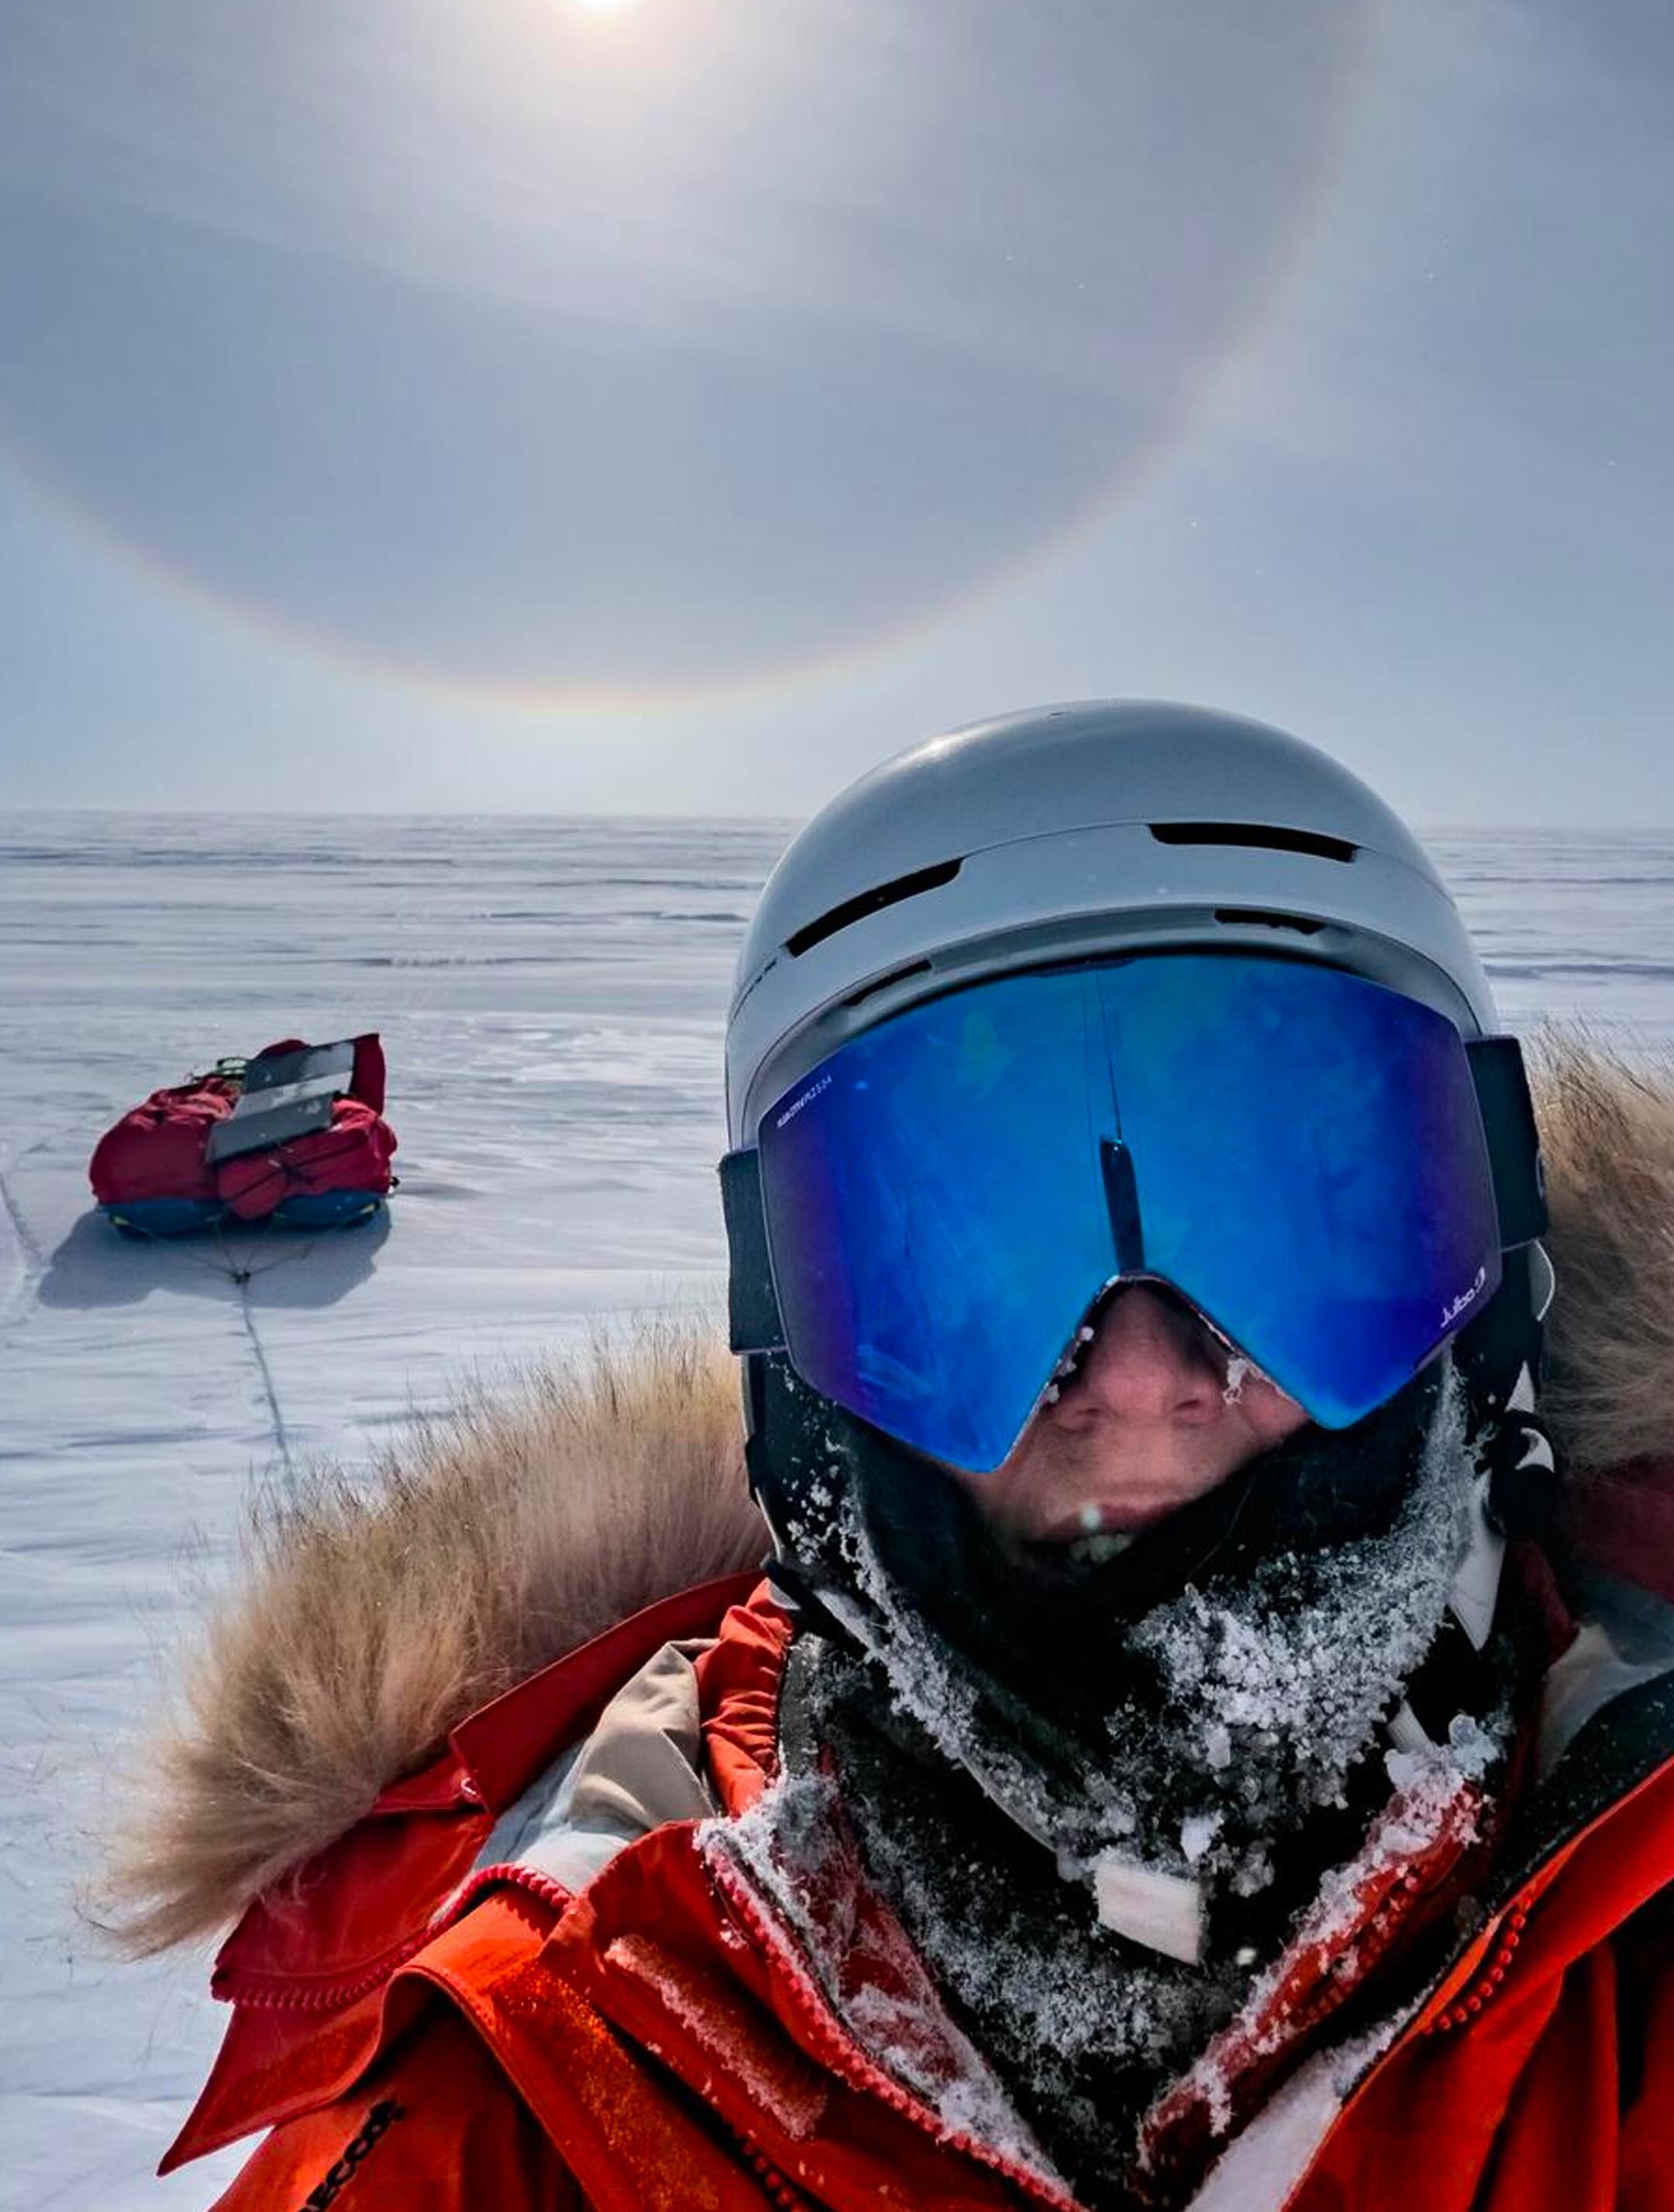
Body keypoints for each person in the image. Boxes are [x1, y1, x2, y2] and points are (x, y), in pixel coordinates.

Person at [116, 704, 1674, 2211]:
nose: (1143, 1382)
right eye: (973, 1277)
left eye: (1288, 1233)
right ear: (807, 1387)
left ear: (1481, 1286)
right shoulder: (541, 2094)